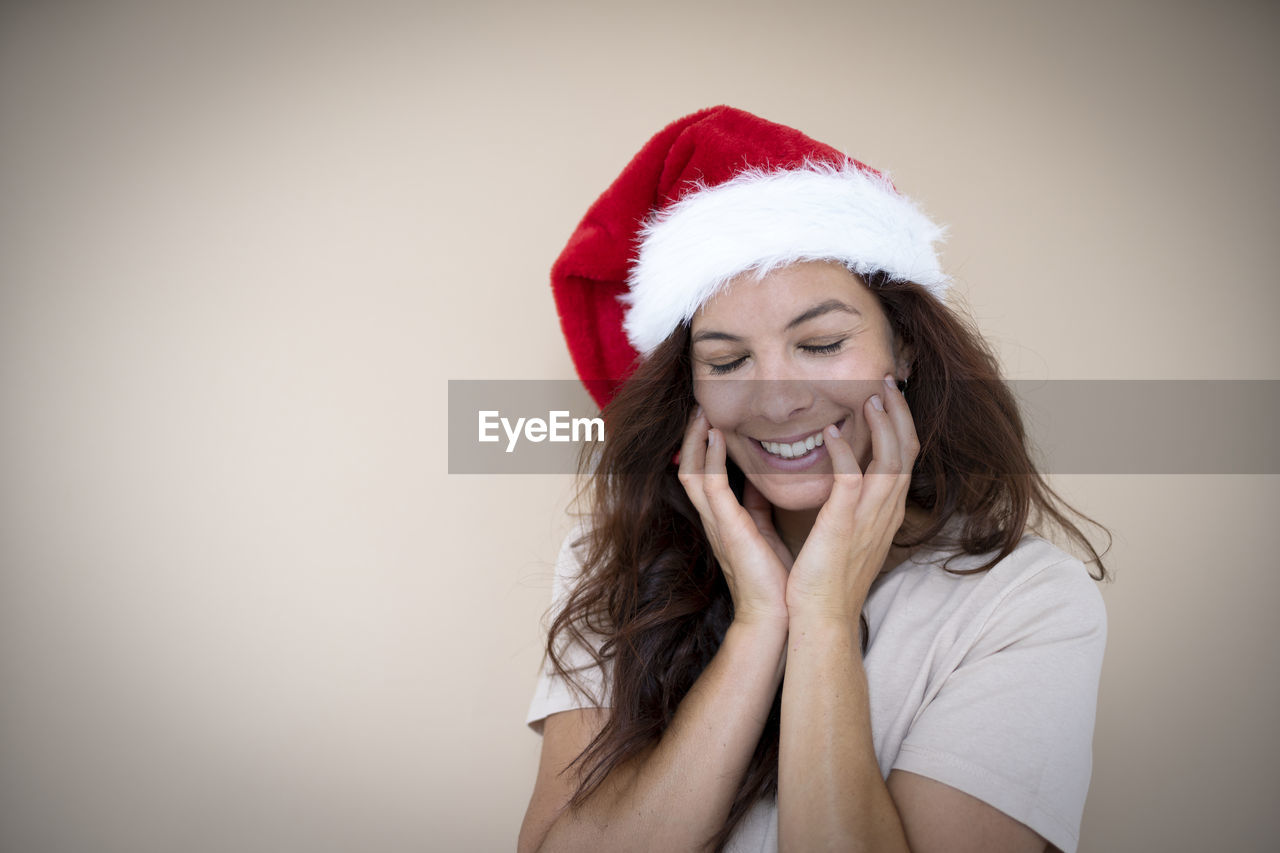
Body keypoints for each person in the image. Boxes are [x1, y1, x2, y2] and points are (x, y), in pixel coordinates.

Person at [519, 106, 1109, 853]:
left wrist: (826, 617)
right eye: (728, 362)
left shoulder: (1024, 601)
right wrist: (758, 625)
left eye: (822, 343)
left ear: (905, 354)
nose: (775, 399)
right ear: (689, 392)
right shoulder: (614, 558)